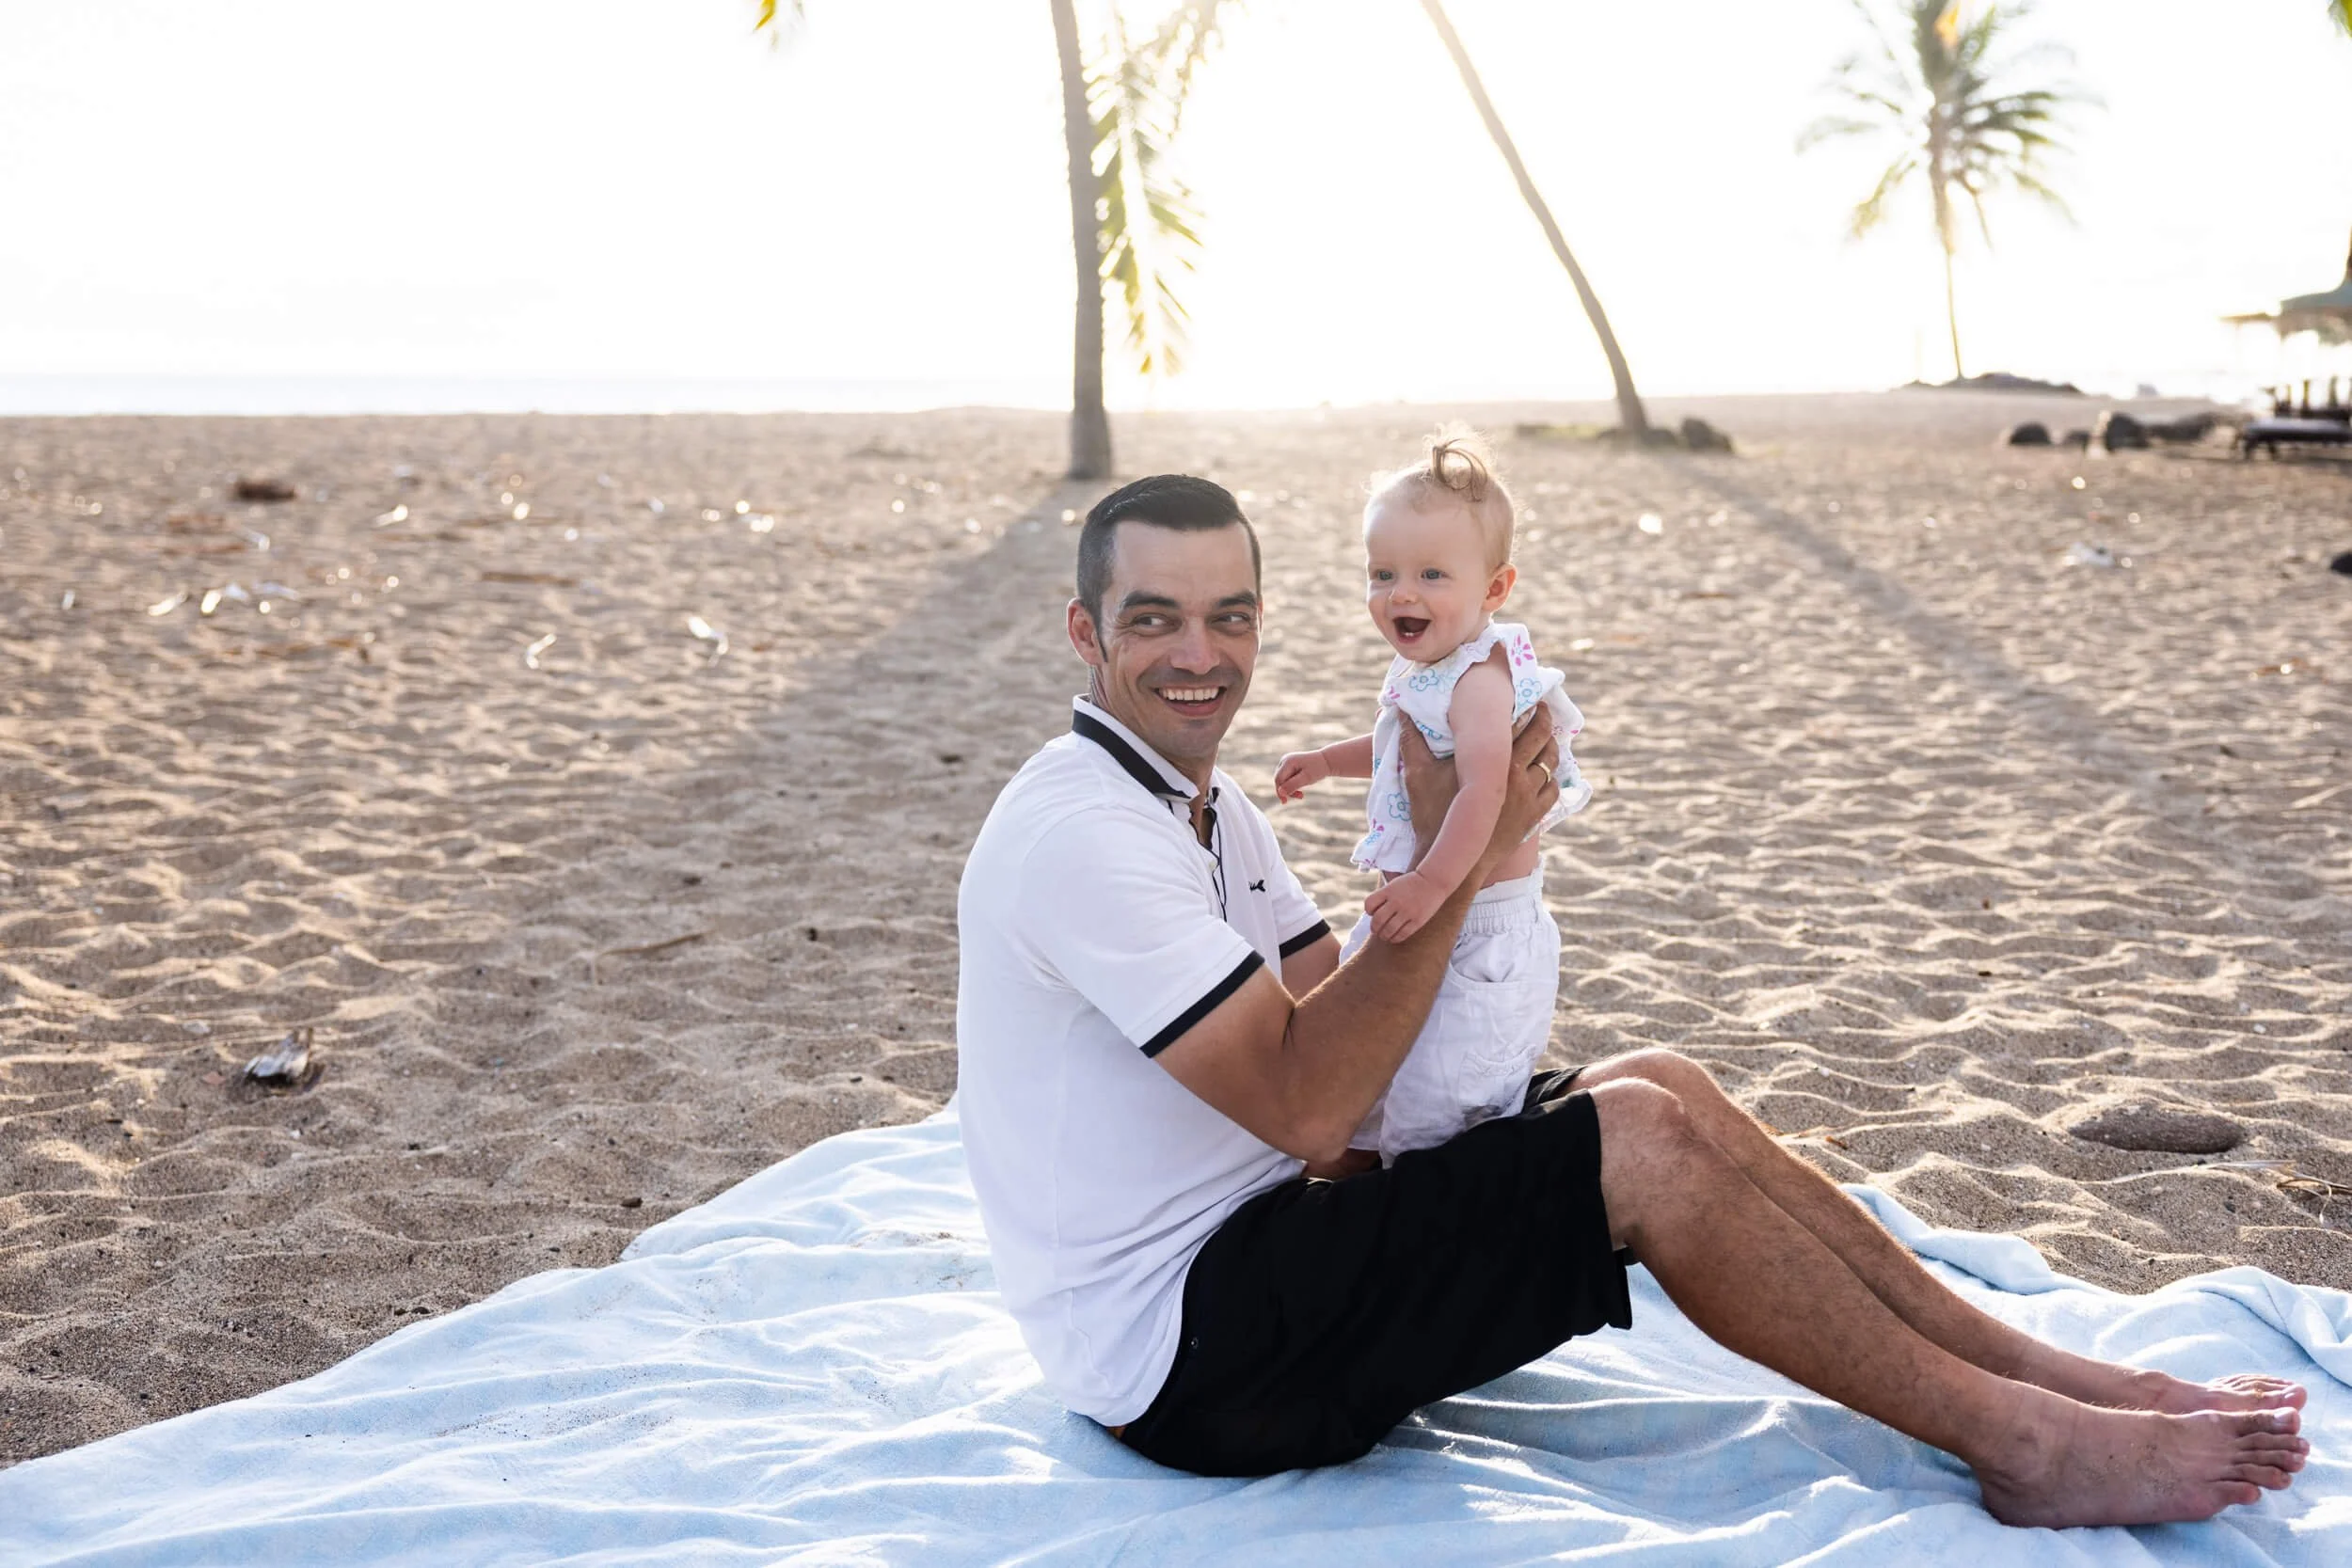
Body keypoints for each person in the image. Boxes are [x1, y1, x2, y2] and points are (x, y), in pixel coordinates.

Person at [953, 472, 2307, 1528]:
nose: (1200, 653)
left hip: (1269, 1250)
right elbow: (1316, 1105)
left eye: (1230, 615)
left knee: (1655, 1083)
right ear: (1085, 631)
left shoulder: (1207, 802)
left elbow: (1342, 1017)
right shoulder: (1083, 832)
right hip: (1195, 1356)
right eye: (1154, 618)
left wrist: (1473, 894)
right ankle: (2028, 1443)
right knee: (1638, 1146)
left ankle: (2056, 1377)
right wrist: (1469, 853)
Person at [1274, 430, 1590, 1172]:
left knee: (1442, 1119)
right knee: (1371, 1092)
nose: (1401, 593)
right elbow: (1401, 744)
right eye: (1382, 573)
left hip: (1478, 930)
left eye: (1431, 574)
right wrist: (1327, 761)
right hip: (1427, 909)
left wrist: (1428, 883)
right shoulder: (1427, 667)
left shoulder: (1479, 679)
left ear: (1494, 590)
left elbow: (1487, 791)